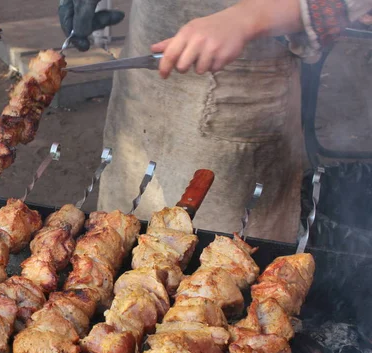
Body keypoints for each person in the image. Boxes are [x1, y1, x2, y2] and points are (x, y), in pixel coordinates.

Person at [58, 0, 372, 243]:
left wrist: (249, 18)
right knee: (115, 237)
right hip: (149, 56)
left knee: (216, 261)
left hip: (241, 75)